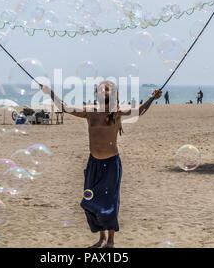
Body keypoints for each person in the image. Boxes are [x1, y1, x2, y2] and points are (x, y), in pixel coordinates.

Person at [42, 80, 162, 248]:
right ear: (96, 93)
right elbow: (64, 107)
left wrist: (152, 98)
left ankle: (111, 240)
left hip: (112, 164)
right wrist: (50, 92)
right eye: (101, 88)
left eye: (108, 88)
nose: (104, 90)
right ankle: (102, 238)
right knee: (91, 202)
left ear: (113, 93)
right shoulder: (89, 111)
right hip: (94, 163)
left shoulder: (117, 112)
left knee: (110, 203)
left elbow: (138, 111)